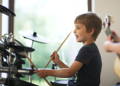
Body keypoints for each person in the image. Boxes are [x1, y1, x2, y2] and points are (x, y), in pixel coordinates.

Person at [35, 12, 102, 86]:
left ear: (91, 31)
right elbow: (74, 73)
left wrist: (47, 72)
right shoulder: (91, 48)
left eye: (78, 28)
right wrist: (58, 62)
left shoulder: (87, 49)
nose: (74, 31)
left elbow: (70, 72)